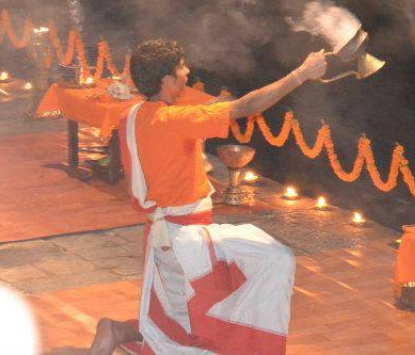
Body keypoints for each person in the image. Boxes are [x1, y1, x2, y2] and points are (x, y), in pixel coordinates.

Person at [88, 39, 328, 355]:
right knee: (273, 262)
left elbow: (203, 116)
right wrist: (302, 73)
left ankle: (116, 330)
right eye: (181, 69)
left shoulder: (131, 115)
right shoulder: (175, 121)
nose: (188, 73)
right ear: (166, 81)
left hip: (163, 237)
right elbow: (246, 107)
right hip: (185, 238)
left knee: (178, 317)